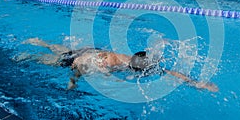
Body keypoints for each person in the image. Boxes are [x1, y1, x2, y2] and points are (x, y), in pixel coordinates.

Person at [22, 38, 218, 92]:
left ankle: (45, 43)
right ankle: (31, 51)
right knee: (56, 60)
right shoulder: (109, 62)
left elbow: (168, 71)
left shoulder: (136, 61)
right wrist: (73, 81)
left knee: (63, 49)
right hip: (84, 57)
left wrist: (196, 83)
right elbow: (82, 65)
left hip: (92, 51)